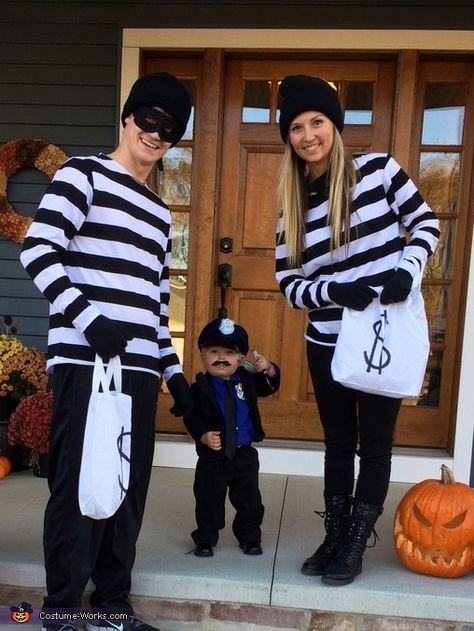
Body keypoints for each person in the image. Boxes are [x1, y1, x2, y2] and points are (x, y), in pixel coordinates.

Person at [20, 71, 193, 631]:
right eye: (149, 118)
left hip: (140, 369)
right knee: (76, 486)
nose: (156, 133)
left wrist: (176, 375)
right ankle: (64, 608)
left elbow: (156, 306)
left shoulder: (161, 214)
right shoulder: (82, 174)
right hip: (84, 361)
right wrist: (90, 320)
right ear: (127, 117)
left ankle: (114, 605)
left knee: (128, 486)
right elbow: (39, 252)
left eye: (169, 128)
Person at [275, 75, 439, 586]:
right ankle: (334, 532)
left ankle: (354, 543)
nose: (308, 135)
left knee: (376, 444)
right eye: (297, 126)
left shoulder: (379, 171)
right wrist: (328, 292)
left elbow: (427, 223)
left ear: (334, 125)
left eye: (317, 121)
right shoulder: (292, 205)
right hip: (326, 343)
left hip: (381, 339)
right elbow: (288, 282)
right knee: (338, 442)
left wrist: (407, 271)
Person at [183, 317, 280, 557]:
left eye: (229, 352)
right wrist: (203, 436)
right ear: (202, 355)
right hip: (213, 457)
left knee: (250, 501)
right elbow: (191, 417)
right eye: (213, 351)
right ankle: (205, 538)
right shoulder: (199, 388)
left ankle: (249, 537)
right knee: (208, 498)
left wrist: (267, 369)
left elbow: (269, 386)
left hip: (244, 454)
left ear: (240, 358)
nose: (221, 357)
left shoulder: (247, 380)